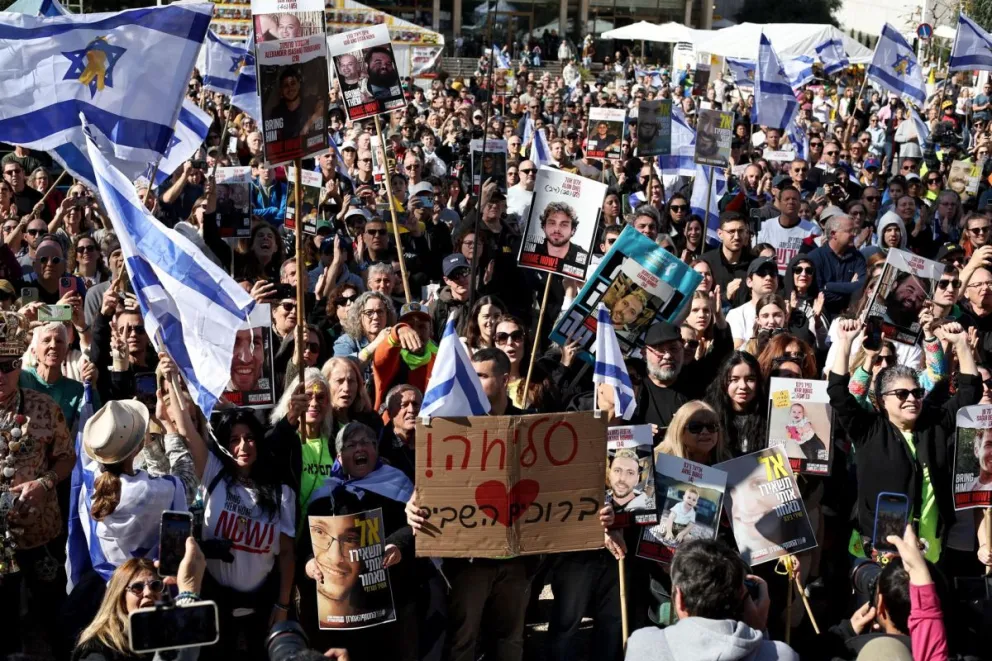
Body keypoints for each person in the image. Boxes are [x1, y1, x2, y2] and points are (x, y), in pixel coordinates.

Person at [828, 318, 979, 562]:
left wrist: (961, 344)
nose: (912, 399)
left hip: (928, 552)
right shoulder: (868, 429)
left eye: (917, 393)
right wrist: (846, 343)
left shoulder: (934, 424)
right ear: (882, 399)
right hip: (880, 553)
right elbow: (838, 393)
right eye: (901, 394)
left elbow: (969, 393)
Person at [624, 539, 797, 661]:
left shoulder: (642, 644)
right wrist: (758, 628)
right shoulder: (781, 655)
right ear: (742, 597)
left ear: (679, 600)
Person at [72, 537, 208, 661]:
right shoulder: (99, 651)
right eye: (137, 587)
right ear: (120, 598)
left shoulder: (166, 633)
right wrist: (188, 593)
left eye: (156, 586)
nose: (148, 593)